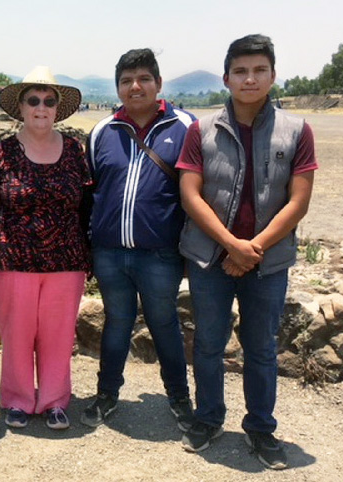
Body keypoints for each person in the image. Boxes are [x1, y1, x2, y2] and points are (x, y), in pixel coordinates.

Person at [177, 34, 317, 470]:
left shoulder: (297, 131)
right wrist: (231, 244)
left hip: (267, 262)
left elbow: (299, 201)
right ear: (226, 78)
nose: (250, 78)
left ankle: (260, 427)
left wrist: (252, 247)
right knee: (209, 344)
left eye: (259, 70)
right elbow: (190, 194)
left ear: (273, 75)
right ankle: (208, 418)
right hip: (210, 258)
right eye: (240, 71)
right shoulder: (202, 129)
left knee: (260, 348)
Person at [81, 49, 195, 430]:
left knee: (165, 324)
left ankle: (179, 398)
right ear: (118, 88)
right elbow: (91, 192)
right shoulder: (103, 131)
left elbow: (197, 192)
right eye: (127, 80)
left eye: (144, 78)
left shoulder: (185, 127)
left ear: (158, 84)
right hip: (110, 253)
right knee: (116, 323)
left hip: (160, 254)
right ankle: (107, 394)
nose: (135, 86)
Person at [0, 66, 89, 430]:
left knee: (59, 336)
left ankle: (55, 400)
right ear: (22, 108)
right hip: (13, 258)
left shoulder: (75, 150)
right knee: (15, 334)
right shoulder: (3, 153)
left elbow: (86, 202)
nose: (41, 107)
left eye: (49, 101)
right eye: (34, 100)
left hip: (66, 259)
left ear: (57, 108)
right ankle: (16, 399)